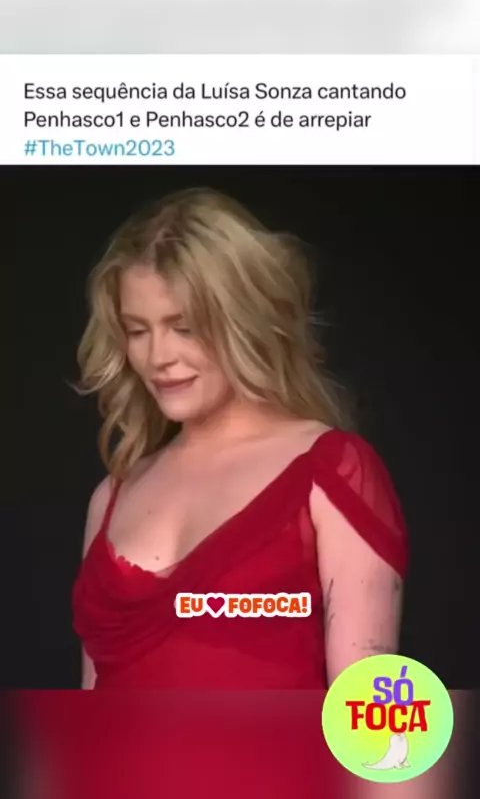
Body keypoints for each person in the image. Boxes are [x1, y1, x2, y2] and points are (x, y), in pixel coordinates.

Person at [72, 187, 408, 690]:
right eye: (137, 330)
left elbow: (366, 711)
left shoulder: (331, 473)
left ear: (241, 320)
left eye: (184, 327)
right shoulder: (111, 497)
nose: (158, 356)